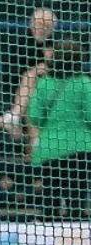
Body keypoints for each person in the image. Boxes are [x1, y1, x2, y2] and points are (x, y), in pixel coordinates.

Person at [27, 36, 91, 219]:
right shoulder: (84, 83)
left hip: (50, 149)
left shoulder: (45, 82)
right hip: (79, 149)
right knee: (76, 203)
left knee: (50, 203)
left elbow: (34, 117)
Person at [0, 8, 58, 144]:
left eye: (47, 26)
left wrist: (49, 62)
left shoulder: (57, 46)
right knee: (31, 79)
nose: (42, 29)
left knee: (33, 77)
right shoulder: (19, 43)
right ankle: (34, 145)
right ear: (31, 24)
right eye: (39, 24)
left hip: (51, 93)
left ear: (52, 29)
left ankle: (15, 116)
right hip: (22, 93)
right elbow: (11, 75)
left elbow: (63, 73)